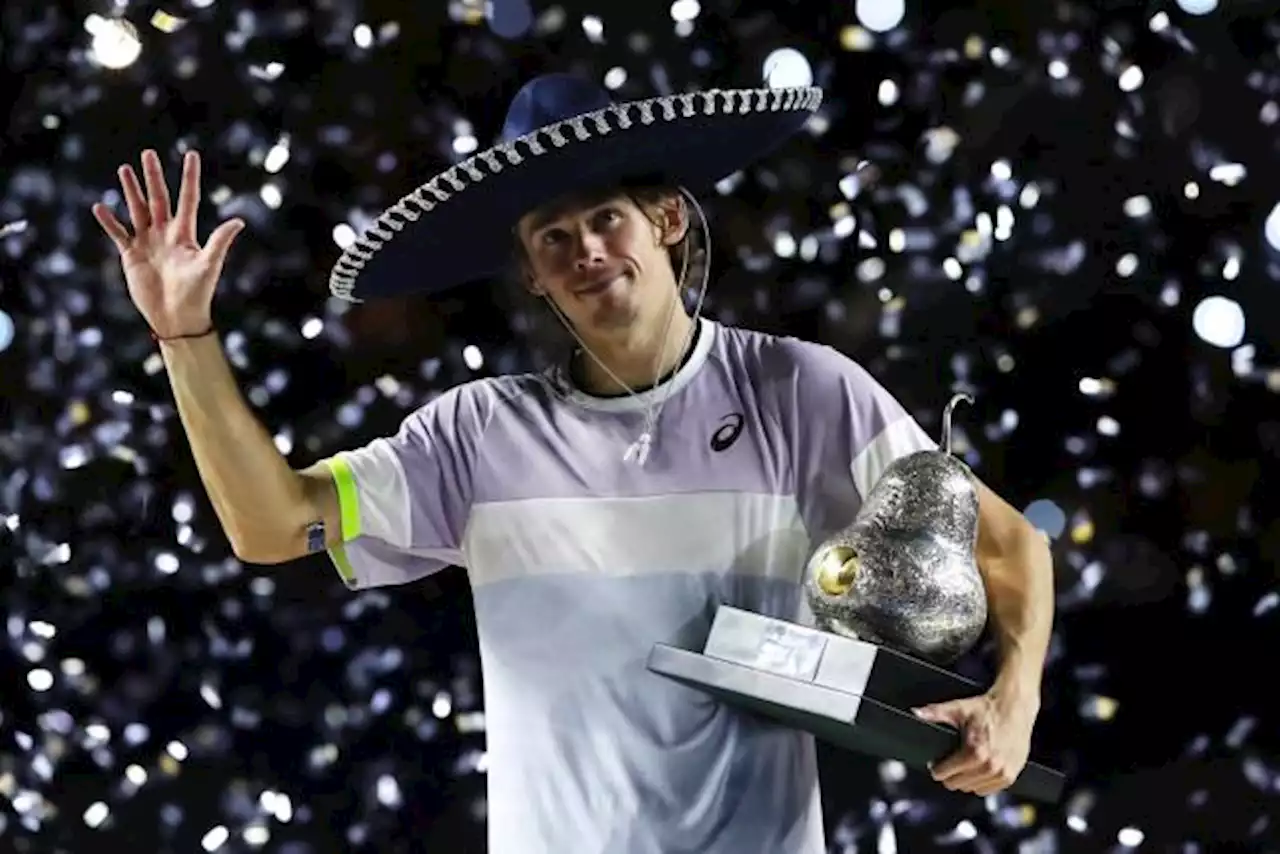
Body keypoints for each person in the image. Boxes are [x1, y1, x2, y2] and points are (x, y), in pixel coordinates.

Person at [93, 74, 1054, 854]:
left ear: (667, 221)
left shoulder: (799, 389)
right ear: (534, 275)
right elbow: (269, 526)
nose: (585, 251)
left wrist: (1014, 702)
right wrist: (185, 337)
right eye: (553, 239)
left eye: (605, 220)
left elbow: (1010, 546)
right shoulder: (472, 435)